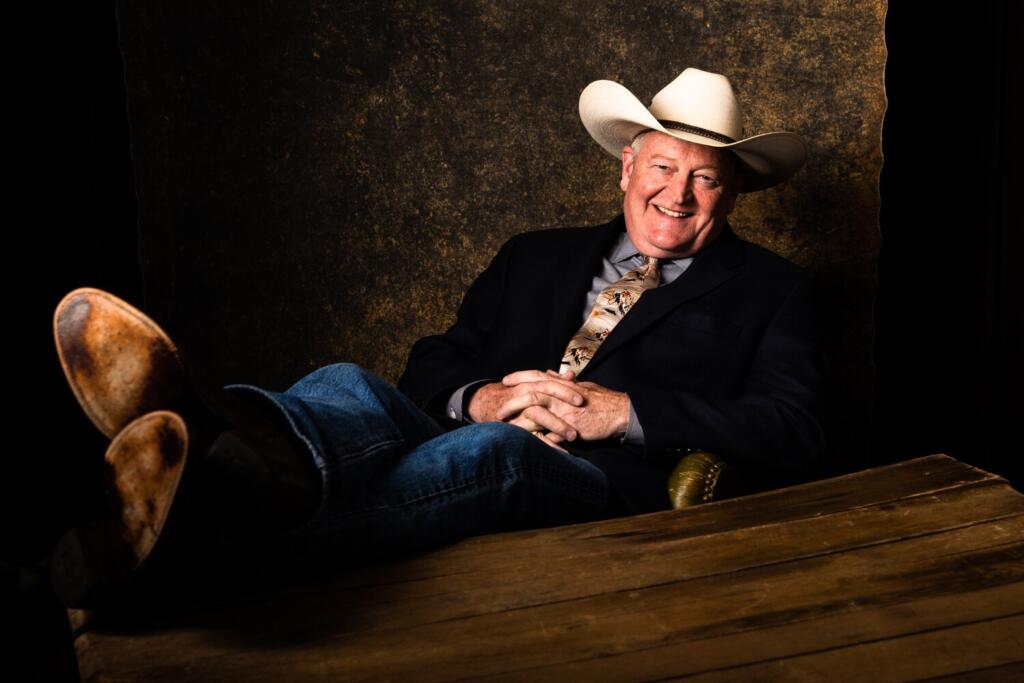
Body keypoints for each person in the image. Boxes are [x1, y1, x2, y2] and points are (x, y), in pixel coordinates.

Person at [50, 67, 826, 611]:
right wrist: (482, 395)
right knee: (350, 382)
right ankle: (212, 429)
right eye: (663, 165)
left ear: (735, 193)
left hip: (592, 478)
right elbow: (436, 360)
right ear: (627, 166)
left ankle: (187, 516)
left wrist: (621, 412)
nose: (677, 194)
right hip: (481, 427)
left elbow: (801, 427)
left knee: (497, 456)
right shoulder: (536, 253)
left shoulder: (772, 290)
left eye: (707, 179)